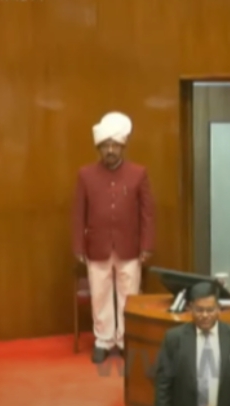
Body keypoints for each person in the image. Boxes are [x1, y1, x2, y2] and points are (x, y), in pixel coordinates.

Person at [71, 111, 156, 364]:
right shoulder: (85, 174)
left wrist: (147, 245)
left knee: (129, 295)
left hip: (130, 247)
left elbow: (147, 213)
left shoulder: (138, 173)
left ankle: (126, 339)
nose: (110, 150)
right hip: (96, 247)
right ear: (99, 148)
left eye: (115, 145)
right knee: (100, 294)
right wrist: (78, 246)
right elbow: (78, 213)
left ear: (122, 146)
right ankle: (104, 340)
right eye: (106, 146)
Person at [154, 282, 230, 406]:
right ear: (190, 308)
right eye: (199, 310)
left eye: (210, 310)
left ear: (219, 308)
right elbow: (163, 391)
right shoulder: (174, 339)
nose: (205, 315)